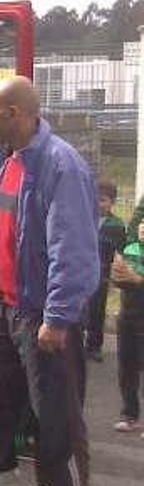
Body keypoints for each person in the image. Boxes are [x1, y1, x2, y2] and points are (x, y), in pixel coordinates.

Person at [0, 76, 99, 486]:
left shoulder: (60, 165)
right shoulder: (8, 159)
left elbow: (75, 248)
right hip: (5, 314)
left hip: (42, 320)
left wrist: (59, 316)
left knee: (53, 431)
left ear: (13, 114)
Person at [109, 221, 144, 435]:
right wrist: (119, 275)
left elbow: (135, 280)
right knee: (127, 369)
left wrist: (137, 279)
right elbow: (119, 281)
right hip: (127, 317)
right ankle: (130, 415)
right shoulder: (129, 250)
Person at [87, 180, 126, 362]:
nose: (98, 203)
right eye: (95, 199)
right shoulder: (84, 218)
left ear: (112, 202)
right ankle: (74, 343)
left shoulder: (116, 225)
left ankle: (94, 346)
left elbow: (121, 250)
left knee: (97, 310)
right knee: (78, 308)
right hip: (81, 271)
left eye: (102, 200)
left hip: (101, 275)